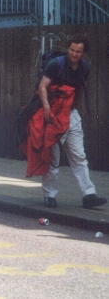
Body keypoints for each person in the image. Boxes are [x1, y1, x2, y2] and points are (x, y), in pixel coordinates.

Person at [38, 35, 107, 209]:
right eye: (72, 50)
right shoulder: (56, 64)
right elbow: (42, 86)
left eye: (78, 51)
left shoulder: (84, 67)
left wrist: (74, 109)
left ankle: (89, 195)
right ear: (68, 48)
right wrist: (46, 107)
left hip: (71, 114)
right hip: (53, 114)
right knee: (53, 158)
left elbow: (79, 88)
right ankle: (49, 195)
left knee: (79, 155)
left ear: (84, 53)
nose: (74, 54)